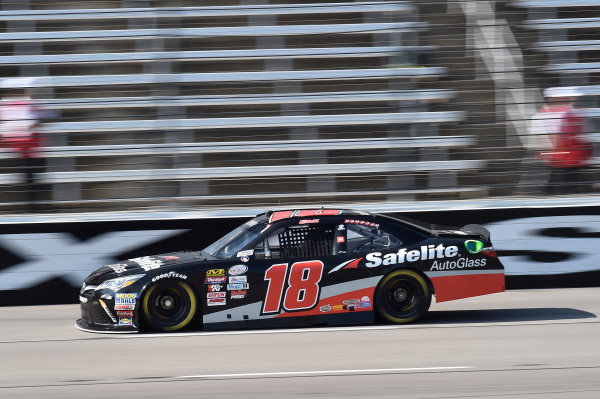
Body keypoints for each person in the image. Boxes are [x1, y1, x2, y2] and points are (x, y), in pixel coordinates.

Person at [524, 86, 592, 195]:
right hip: (560, 164)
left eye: (571, 97)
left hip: (571, 162)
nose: (572, 99)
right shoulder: (543, 116)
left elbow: (585, 137)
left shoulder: (576, 113)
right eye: (568, 97)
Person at [0, 77, 46, 211]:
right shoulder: (7, 104)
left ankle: (31, 207)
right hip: (18, 146)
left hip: (28, 147)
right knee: (28, 179)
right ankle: (30, 207)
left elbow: (45, 117)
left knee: (30, 178)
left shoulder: (30, 103)